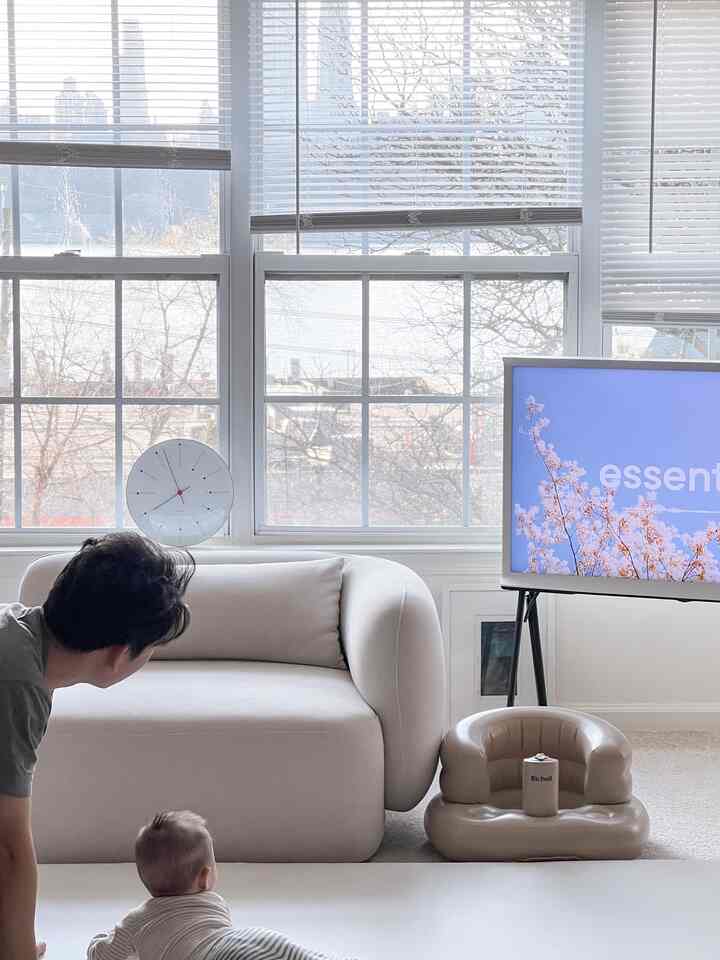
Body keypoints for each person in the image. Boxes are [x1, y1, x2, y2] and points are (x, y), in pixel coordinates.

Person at [0, 533, 195, 960]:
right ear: (119, 654)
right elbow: (9, 847)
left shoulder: (17, 636)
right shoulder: (17, 681)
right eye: (151, 651)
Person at [86, 810, 356, 960]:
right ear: (205, 878)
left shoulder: (138, 921)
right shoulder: (214, 902)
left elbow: (105, 956)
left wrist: (97, 943)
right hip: (257, 938)